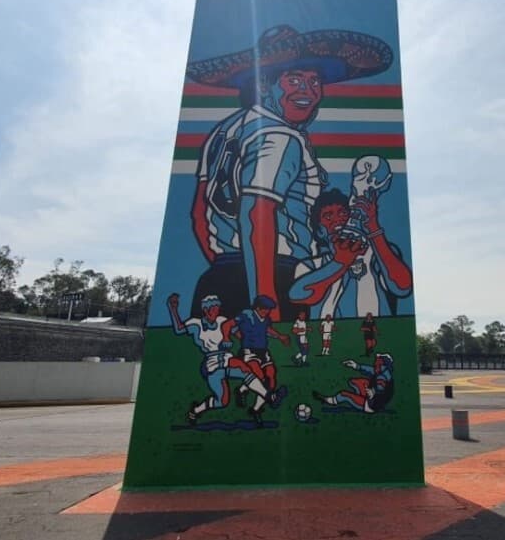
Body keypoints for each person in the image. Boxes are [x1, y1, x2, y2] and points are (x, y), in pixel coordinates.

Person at [187, 25, 394, 322]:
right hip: (274, 277)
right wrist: (265, 300)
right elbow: (256, 212)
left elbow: (199, 214)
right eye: (293, 79)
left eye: (314, 81)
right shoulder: (279, 136)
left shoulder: (224, 131)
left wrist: (229, 268)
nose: (307, 91)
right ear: (263, 84)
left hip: (220, 277)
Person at [289, 180, 413, 318]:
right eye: (328, 216)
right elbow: (301, 295)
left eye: (342, 213)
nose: (337, 220)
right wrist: (340, 262)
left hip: (375, 334)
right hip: (328, 336)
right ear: (319, 231)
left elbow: (402, 287)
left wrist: (373, 228)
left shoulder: (376, 254)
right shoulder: (310, 265)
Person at [165, 293, 278, 426]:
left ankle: (268, 396)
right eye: (214, 309)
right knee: (222, 401)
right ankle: (196, 410)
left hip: (226, 357)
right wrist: (173, 309)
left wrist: (250, 340)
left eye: (218, 308)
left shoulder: (221, 320)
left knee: (245, 369)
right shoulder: (196, 324)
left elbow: (237, 333)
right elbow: (178, 330)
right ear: (206, 309)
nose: (216, 311)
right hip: (212, 362)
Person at [230, 295, 291, 426]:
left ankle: (255, 408)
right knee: (259, 376)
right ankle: (270, 398)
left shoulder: (266, 319)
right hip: (249, 351)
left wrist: (279, 336)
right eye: (265, 309)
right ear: (257, 307)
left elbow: (267, 330)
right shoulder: (246, 315)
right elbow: (231, 326)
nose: (267, 311)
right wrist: (239, 336)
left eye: (269, 309)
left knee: (271, 378)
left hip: (263, 351)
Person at [313, 354, 395, 414]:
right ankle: (361, 398)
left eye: (378, 360)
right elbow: (370, 370)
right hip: (376, 401)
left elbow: (380, 387)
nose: (375, 361)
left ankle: (328, 400)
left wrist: (373, 392)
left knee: (344, 395)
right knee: (355, 382)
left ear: (382, 363)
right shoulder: (383, 371)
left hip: (371, 405)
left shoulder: (382, 377)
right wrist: (356, 366)